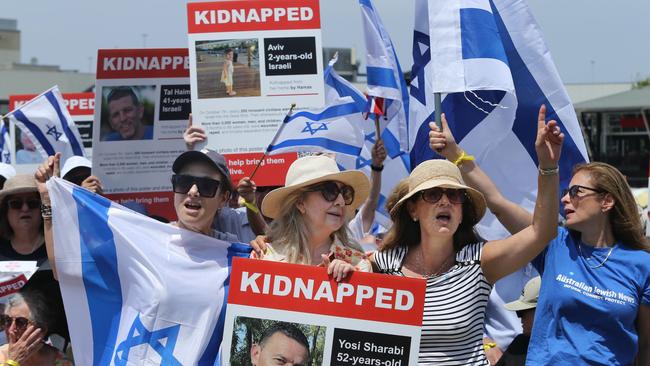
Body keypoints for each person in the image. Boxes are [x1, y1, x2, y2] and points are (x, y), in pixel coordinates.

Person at [434, 109, 650, 365]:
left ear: (607, 201)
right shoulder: (553, 244)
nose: (565, 198)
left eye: (577, 191)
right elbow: (498, 203)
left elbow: (646, 346)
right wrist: (455, 154)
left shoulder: (642, 265)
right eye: (566, 191)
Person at [371, 106, 561, 365]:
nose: (445, 202)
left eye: (454, 195)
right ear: (413, 209)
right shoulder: (382, 264)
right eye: (433, 194)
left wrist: (548, 168)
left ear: (462, 213)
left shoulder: (479, 262)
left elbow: (543, 232)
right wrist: (341, 267)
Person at [254, 155, 372, 280]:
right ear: (300, 203)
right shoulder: (263, 256)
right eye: (330, 191)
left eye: (345, 193)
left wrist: (354, 284)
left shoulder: (359, 265)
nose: (341, 201)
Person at [0, 292, 72, 365]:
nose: (11, 330)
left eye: (21, 322)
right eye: (8, 321)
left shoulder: (60, 361)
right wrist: (13, 361)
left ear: (41, 329)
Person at [0, 174, 47, 265]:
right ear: (5, 211)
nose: (25, 209)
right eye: (16, 203)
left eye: (32, 203)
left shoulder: (56, 248)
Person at [495, 276, 541, 366]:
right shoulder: (519, 345)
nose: (520, 317)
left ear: (543, 310)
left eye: (523, 312)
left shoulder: (567, 354)